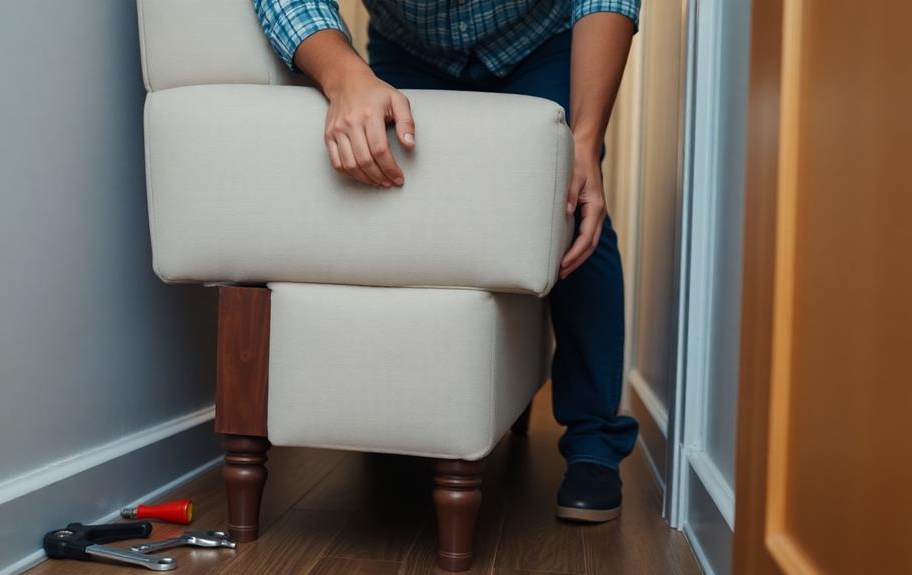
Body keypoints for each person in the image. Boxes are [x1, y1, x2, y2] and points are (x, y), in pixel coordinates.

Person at [254, 0, 641, 523]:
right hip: (411, 47)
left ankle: (594, 438)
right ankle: (401, 416)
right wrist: (344, 76)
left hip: (541, 39)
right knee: (400, 206)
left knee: (565, 205)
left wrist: (587, 141)